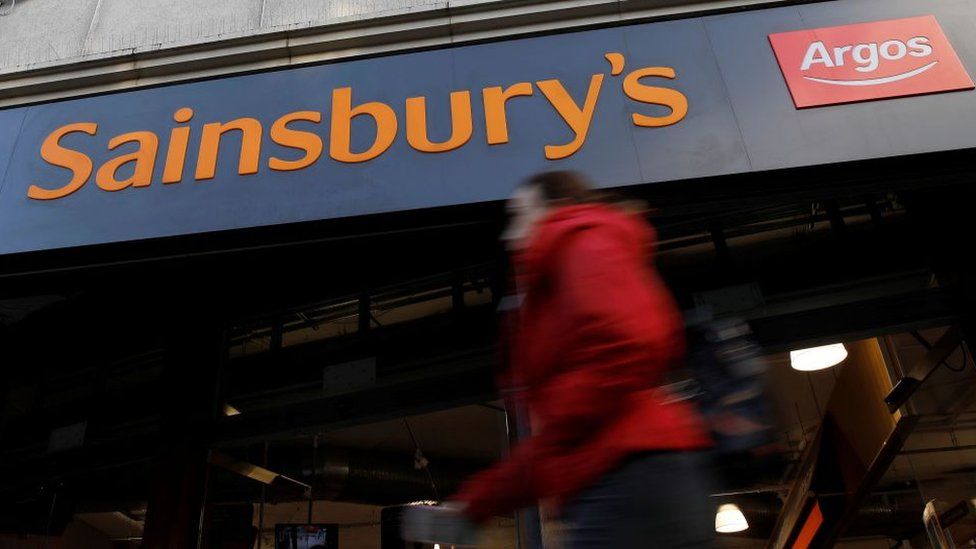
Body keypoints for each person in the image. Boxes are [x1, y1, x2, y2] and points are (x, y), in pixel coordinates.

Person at [451, 171, 716, 548]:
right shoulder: (564, 267)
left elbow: (628, 342)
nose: (508, 234)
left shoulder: (583, 241)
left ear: (555, 209)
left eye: (520, 215)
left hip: (629, 481)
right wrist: (475, 504)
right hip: (627, 480)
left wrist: (559, 421)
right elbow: (555, 444)